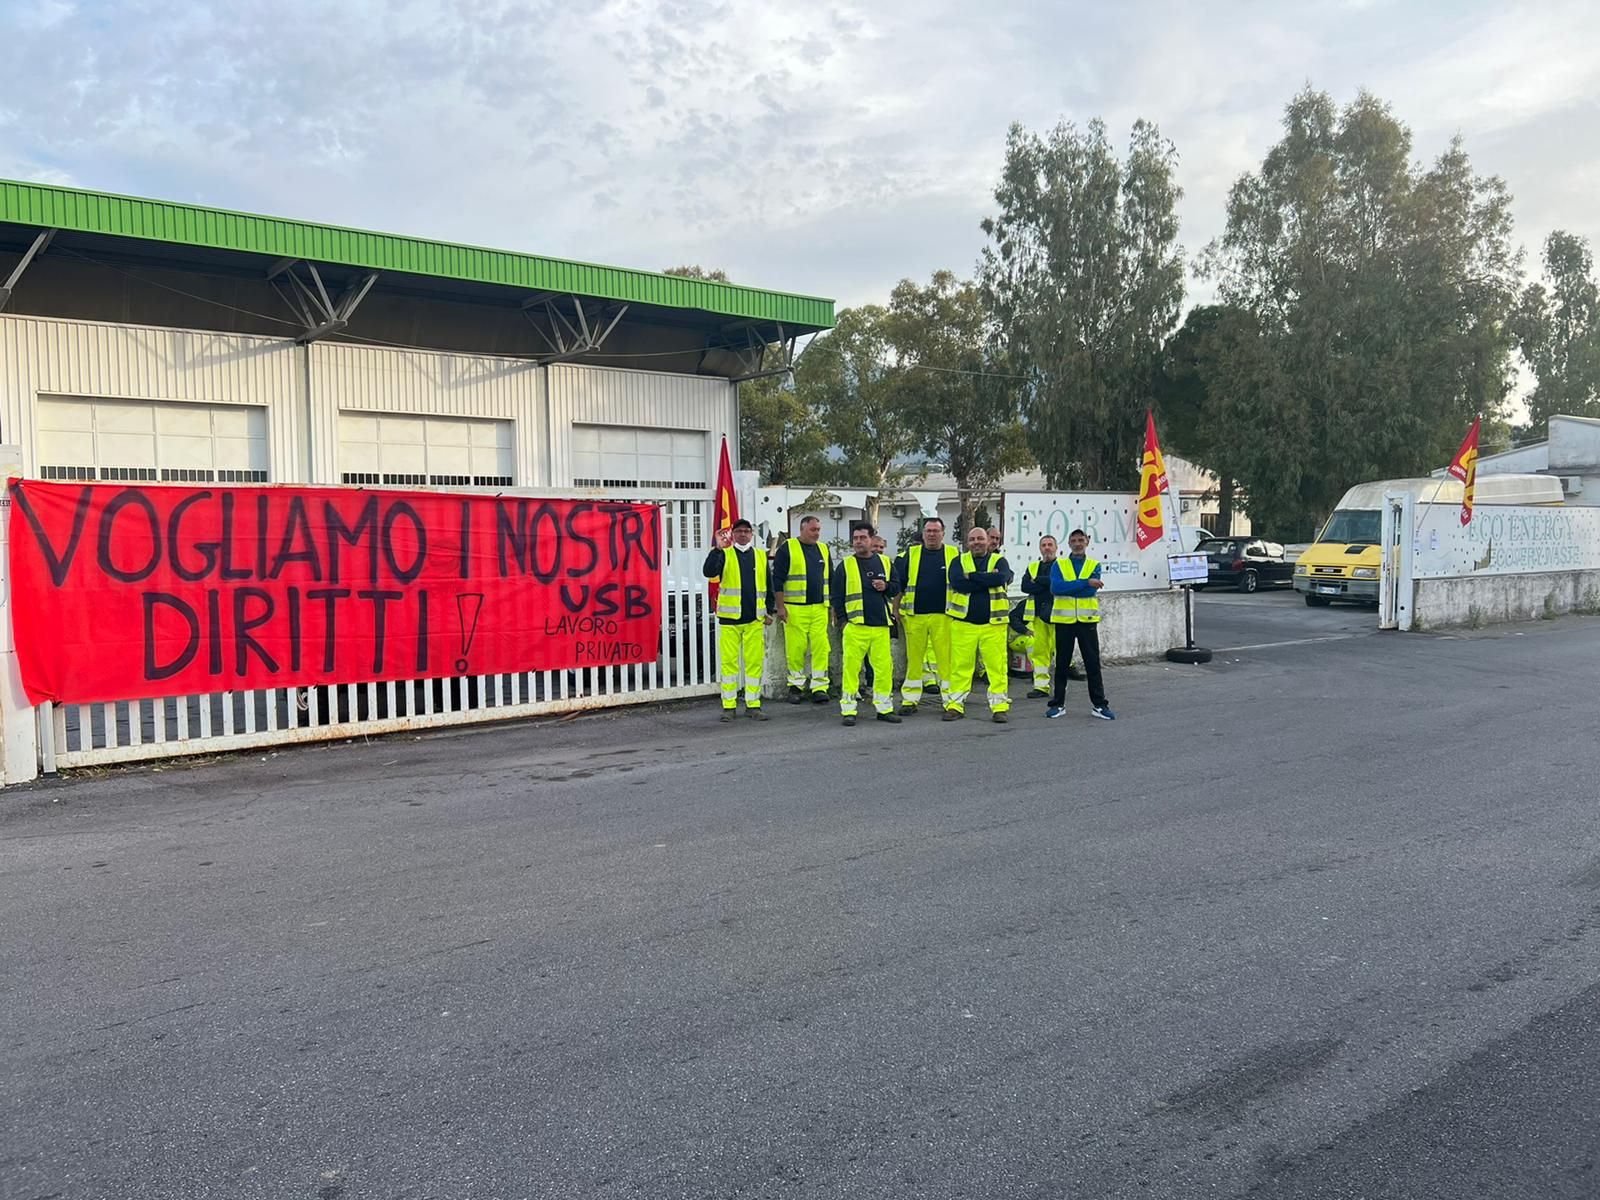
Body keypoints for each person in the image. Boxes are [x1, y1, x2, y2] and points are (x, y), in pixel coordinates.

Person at [703, 518, 774, 722]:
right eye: (739, 531)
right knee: (729, 665)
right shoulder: (724, 554)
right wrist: (716, 549)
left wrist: (769, 610)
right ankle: (729, 706)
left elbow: (767, 586)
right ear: (733, 534)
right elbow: (709, 572)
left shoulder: (760, 556)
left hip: (754, 619)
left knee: (754, 664)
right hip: (730, 620)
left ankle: (753, 705)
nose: (743, 534)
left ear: (752, 534)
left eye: (746, 531)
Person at [832, 525, 902, 726]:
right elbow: (837, 596)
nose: (858, 541)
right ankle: (848, 709)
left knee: (883, 670)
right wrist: (844, 622)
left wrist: (886, 586)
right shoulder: (845, 565)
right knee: (851, 670)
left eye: (863, 537)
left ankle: (884, 707)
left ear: (872, 540)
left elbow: (897, 587)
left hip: (880, 625)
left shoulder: (885, 562)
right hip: (855, 626)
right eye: (855, 538)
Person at [944, 526, 1013, 723]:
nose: (976, 542)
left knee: (996, 668)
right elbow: (958, 583)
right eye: (972, 539)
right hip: (963, 624)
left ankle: (999, 707)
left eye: (980, 539)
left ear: (988, 541)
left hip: (994, 624)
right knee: (959, 667)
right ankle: (955, 706)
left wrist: (972, 576)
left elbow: (1001, 578)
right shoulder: (958, 561)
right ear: (967, 542)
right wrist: (987, 579)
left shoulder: (999, 560)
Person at [890, 517, 958, 714]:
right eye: (928, 531)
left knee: (946, 661)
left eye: (936, 531)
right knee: (914, 660)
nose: (932, 534)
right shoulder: (909, 555)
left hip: (944, 616)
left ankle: (951, 702)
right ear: (923, 533)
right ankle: (910, 700)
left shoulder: (954, 555)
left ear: (943, 534)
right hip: (915, 616)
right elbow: (899, 585)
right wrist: (895, 609)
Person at [1046, 528, 1116, 721]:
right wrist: (1086, 582)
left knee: (1092, 664)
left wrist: (1077, 587)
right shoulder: (1059, 565)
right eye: (1074, 540)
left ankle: (1099, 705)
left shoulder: (1094, 564)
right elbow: (1056, 588)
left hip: (1087, 621)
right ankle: (1058, 704)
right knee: (1061, 665)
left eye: (1081, 540)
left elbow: (1089, 593)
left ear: (1087, 542)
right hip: (1064, 621)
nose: (1077, 543)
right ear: (1069, 543)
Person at [773, 515, 832, 705]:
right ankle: (796, 686)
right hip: (795, 608)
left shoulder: (823, 549)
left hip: (819, 608)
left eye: (818, 530)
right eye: (813, 529)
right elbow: (777, 579)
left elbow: (829, 579)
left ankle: (819, 687)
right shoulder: (788, 548)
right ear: (802, 529)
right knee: (796, 649)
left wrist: (831, 607)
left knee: (821, 648)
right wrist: (780, 607)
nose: (817, 533)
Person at [1017, 534, 1060, 698]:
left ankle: (1060, 688)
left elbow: (1057, 584)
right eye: (1044, 545)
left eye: (1050, 544)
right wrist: (1046, 582)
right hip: (1037, 616)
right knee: (1039, 653)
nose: (1047, 548)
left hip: (1058, 615)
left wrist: (1038, 581)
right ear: (1040, 548)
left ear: (1056, 548)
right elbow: (1024, 586)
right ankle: (1041, 687)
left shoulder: (1062, 565)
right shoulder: (1033, 566)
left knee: (1060, 652)